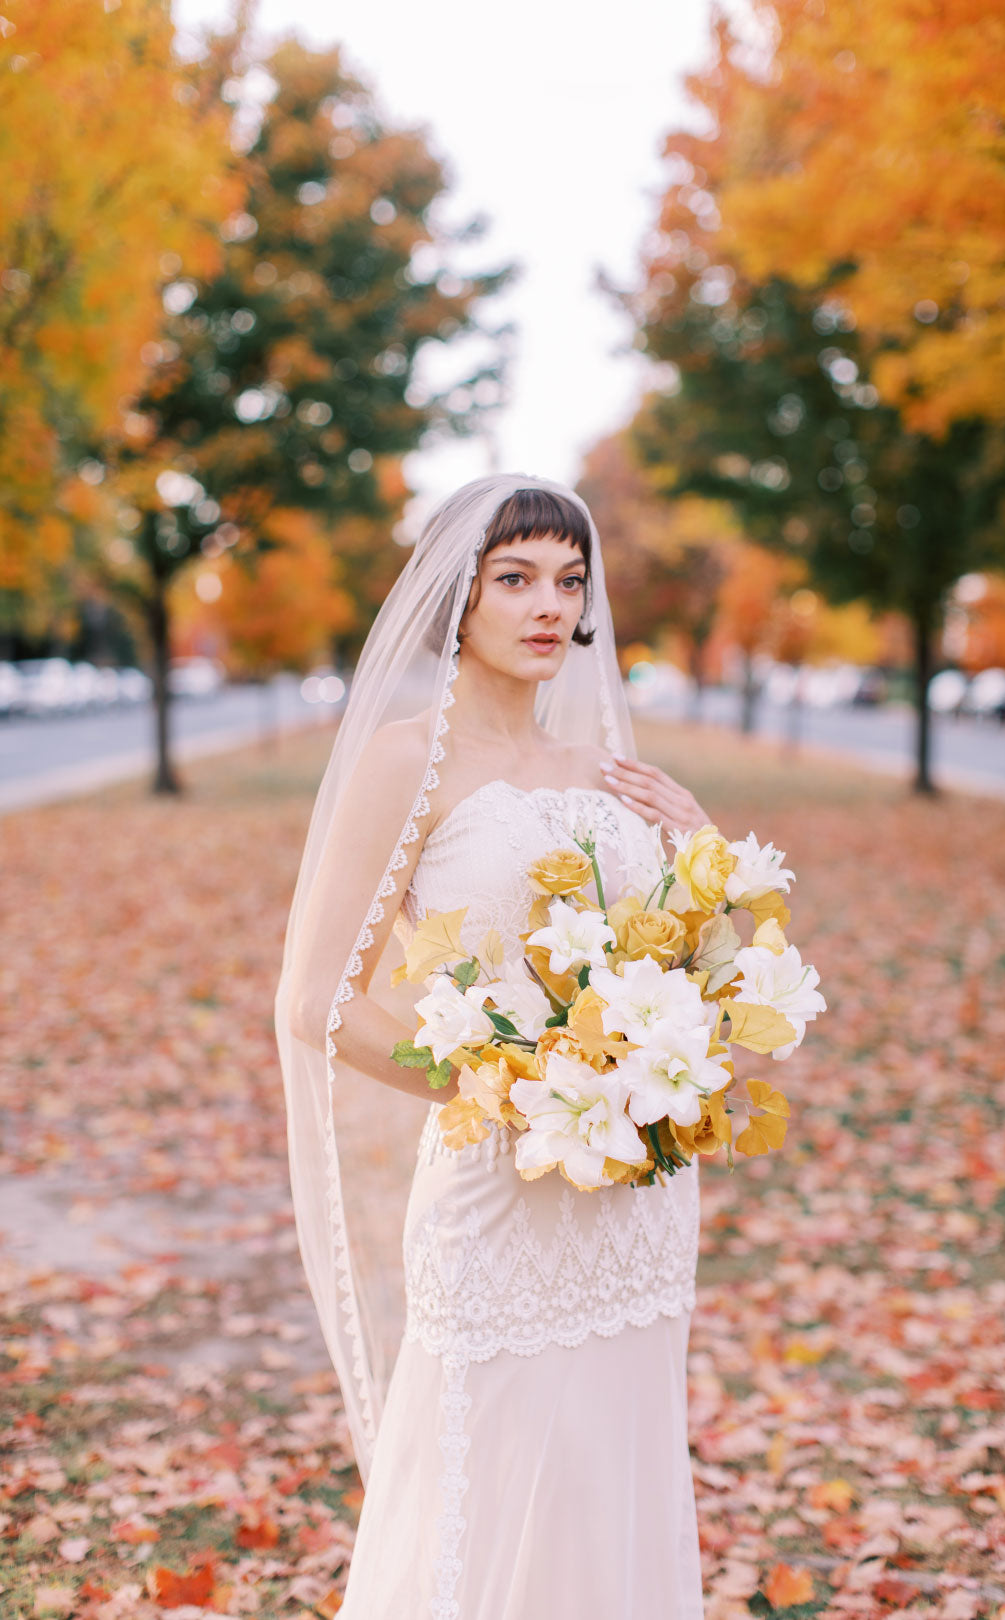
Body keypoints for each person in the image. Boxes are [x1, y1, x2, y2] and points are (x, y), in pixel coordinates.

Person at [276, 473, 709, 1618]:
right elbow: (317, 1002)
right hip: (498, 1186)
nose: (548, 605)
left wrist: (707, 848)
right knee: (488, 1470)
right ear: (456, 599)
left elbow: (705, 973)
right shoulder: (405, 765)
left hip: (640, 1196)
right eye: (514, 577)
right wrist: (498, 1086)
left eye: (568, 580)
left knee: (612, 1471)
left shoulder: (612, 775)